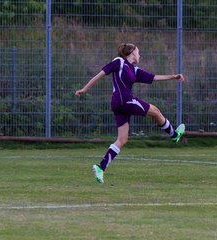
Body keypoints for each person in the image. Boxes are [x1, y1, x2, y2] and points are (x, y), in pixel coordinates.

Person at [75, 43, 185, 184]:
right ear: (132, 52)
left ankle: (100, 168)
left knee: (122, 140)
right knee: (156, 111)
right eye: (138, 52)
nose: (139, 55)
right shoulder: (119, 61)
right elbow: (101, 74)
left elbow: (153, 77)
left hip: (118, 105)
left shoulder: (134, 70)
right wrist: (84, 89)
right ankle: (174, 135)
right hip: (124, 100)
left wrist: (174, 77)